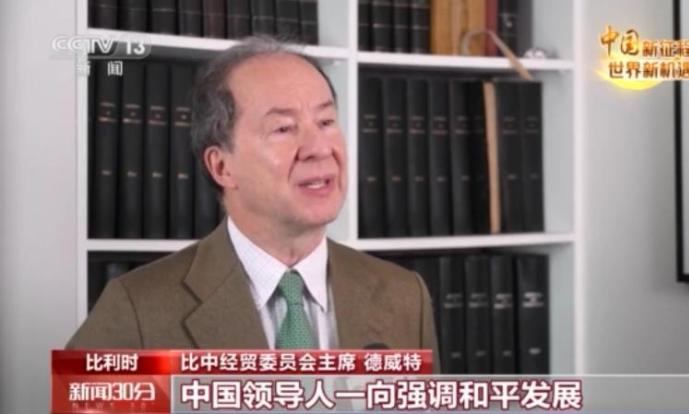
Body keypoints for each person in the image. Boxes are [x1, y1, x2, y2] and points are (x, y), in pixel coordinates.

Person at [67, 37, 439, 369]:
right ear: (222, 167)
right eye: (283, 128)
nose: (319, 148)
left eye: (326, 121)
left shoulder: (405, 296)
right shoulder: (136, 309)